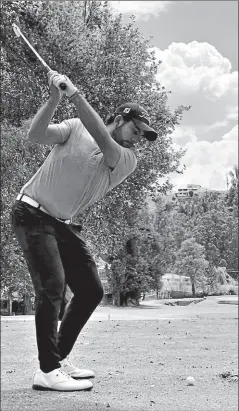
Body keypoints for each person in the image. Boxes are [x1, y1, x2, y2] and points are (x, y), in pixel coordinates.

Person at [11, 71, 158, 392]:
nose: (137, 138)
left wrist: (75, 95)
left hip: (60, 223)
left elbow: (101, 138)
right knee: (52, 286)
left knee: (90, 290)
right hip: (30, 212)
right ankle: (47, 371)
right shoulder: (75, 128)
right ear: (120, 119)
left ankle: (57, 358)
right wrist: (54, 99)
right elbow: (35, 135)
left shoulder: (125, 159)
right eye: (136, 129)